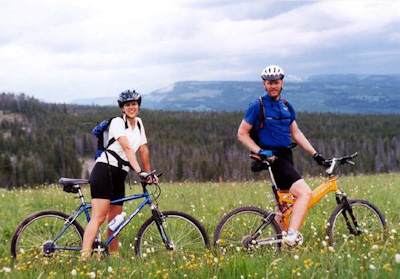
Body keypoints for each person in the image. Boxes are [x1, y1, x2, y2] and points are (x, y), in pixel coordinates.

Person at [237, 65, 327, 246]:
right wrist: (260, 151)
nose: (273, 86)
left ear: (281, 83)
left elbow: (296, 133)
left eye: (276, 83)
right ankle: (292, 235)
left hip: (287, 156)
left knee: (283, 207)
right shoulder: (258, 105)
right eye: (270, 83)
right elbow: (242, 133)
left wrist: (315, 155)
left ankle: (282, 243)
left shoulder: (286, 106)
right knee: (304, 193)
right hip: (273, 158)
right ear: (264, 84)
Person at [81, 89, 156, 257]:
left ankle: (114, 257)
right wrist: (139, 172)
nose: (131, 107)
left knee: (114, 222)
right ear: (122, 108)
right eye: (127, 105)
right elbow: (128, 148)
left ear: (138, 106)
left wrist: (148, 173)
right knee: (99, 217)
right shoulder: (116, 122)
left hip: (119, 175)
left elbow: (143, 149)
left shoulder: (139, 123)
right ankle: (84, 257)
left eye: (134, 104)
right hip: (104, 171)